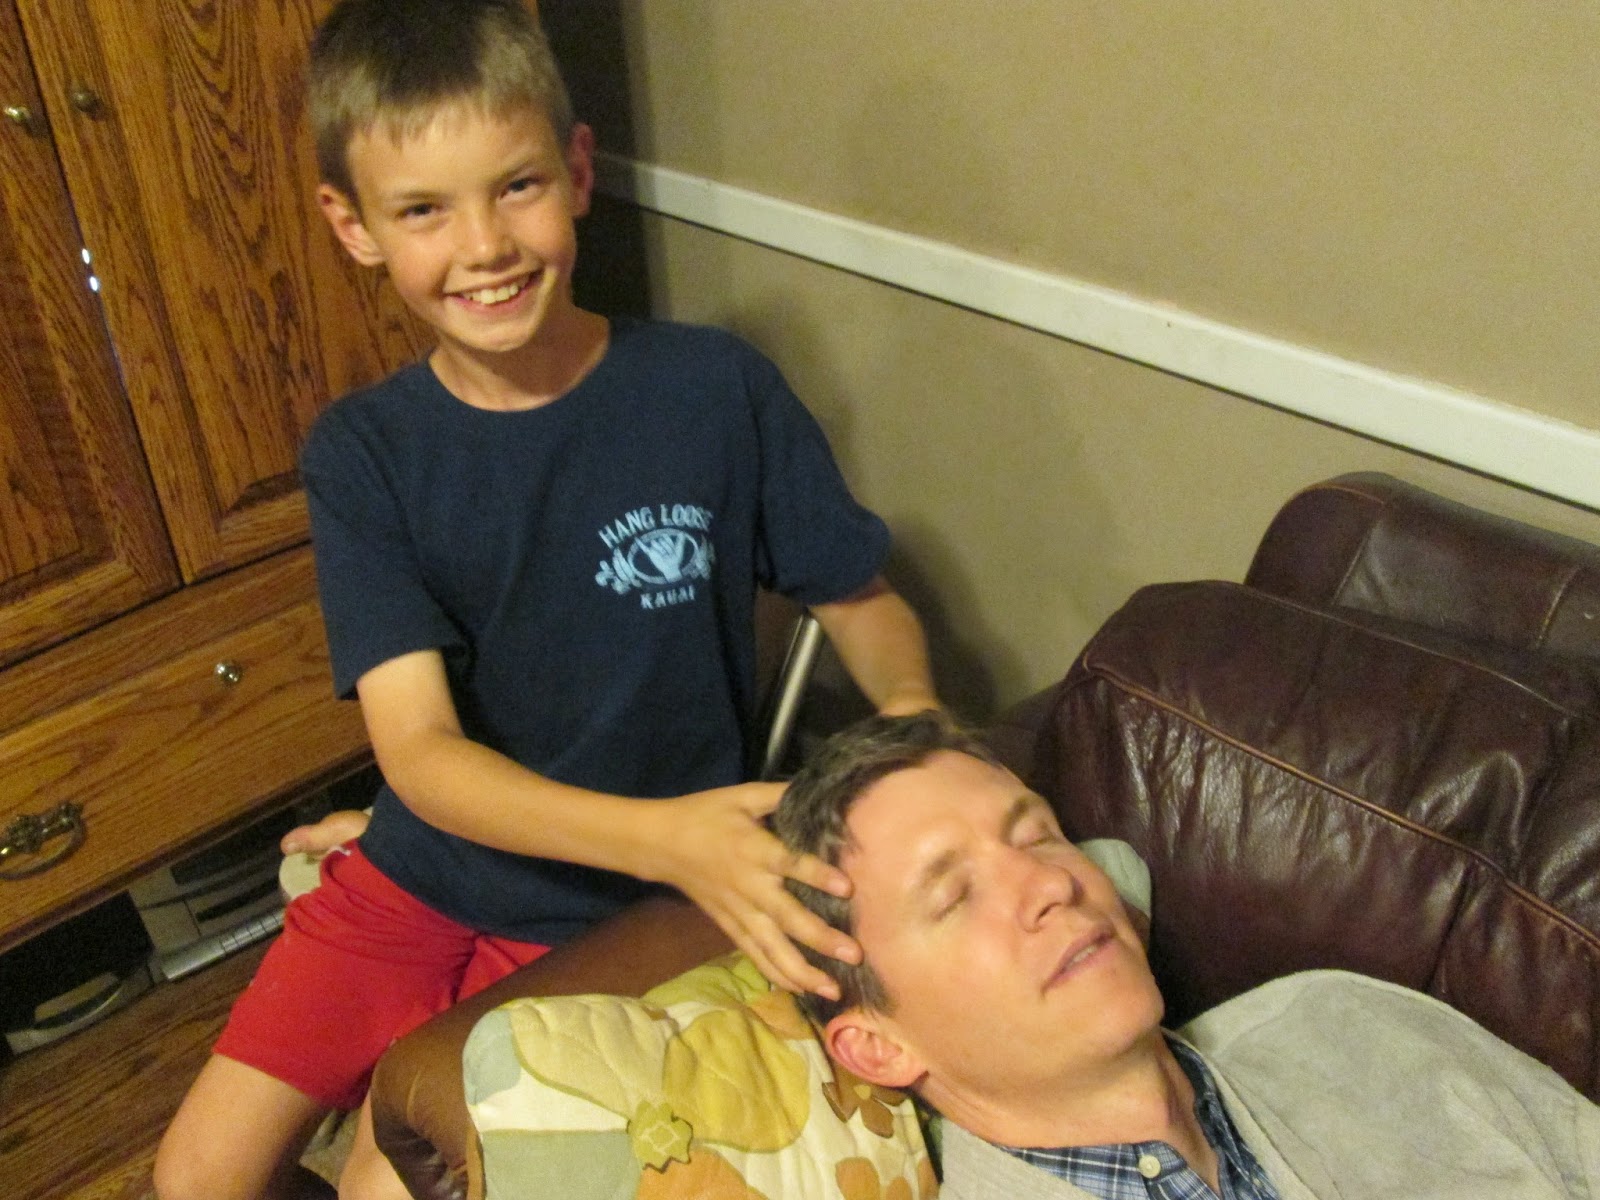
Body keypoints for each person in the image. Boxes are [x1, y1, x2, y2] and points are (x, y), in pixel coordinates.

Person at [154, 3, 939, 1198]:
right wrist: (659, 834)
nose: (484, 246)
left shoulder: (714, 388)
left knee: (385, 1179)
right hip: (422, 872)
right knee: (194, 1175)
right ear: (354, 227)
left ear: (575, 171)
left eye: (515, 186)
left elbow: (859, 596)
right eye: (423, 210)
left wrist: (917, 723)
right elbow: (420, 753)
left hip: (610, 911)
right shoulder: (363, 452)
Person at [771, 713, 1600, 1200]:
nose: (1051, 883)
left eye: (1040, 836)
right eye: (954, 897)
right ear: (878, 1046)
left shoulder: (1348, 1019)